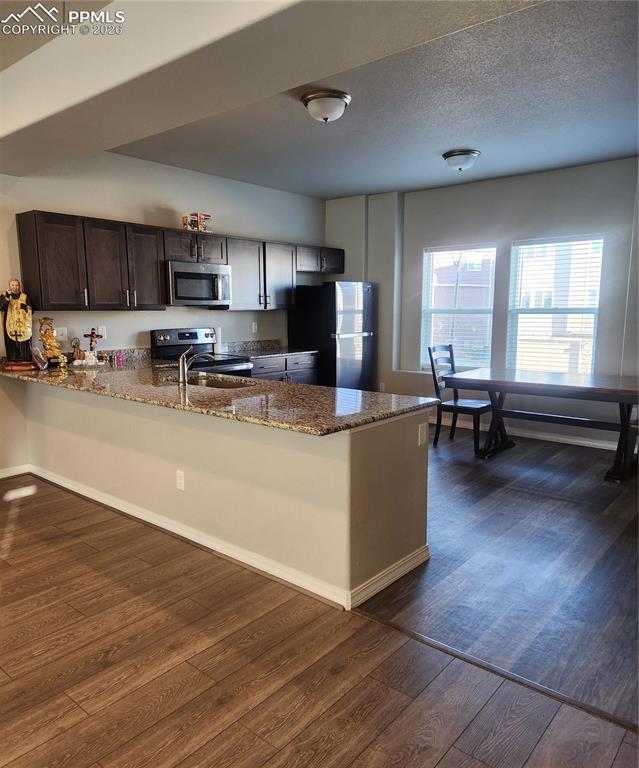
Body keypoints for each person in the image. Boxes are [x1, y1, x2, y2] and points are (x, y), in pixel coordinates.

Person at [0, 278, 33, 364]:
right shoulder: (5, 296)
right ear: (9, 286)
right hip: (10, 325)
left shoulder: (24, 297)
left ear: (19, 286)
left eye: (17, 285)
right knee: (11, 345)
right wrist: (7, 298)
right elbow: (1, 307)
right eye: (13, 285)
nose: (15, 287)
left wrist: (25, 308)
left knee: (24, 344)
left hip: (23, 326)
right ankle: (12, 359)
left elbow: (31, 310)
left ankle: (25, 359)